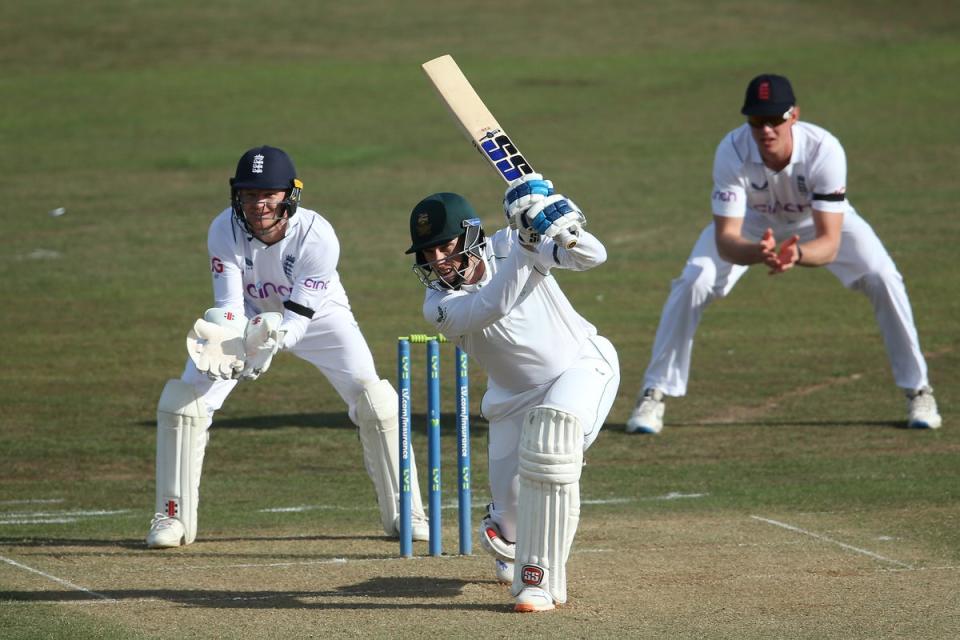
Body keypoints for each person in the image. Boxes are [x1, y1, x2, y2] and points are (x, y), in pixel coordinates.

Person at [146, 145, 430, 548]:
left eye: (268, 194)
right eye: (248, 194)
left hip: (318, 318)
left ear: (289, 196)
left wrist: (269, 344)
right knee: (184, 402)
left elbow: (297, 320)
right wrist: (240, 339)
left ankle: (407, 511)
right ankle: (171, 518)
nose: (258, 204)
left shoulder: (318, 236)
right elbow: (228, 306)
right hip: (247, 314)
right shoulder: (222, 228)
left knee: (375, 400)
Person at [625, 74, 942, 435]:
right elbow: (727, 239)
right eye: (757, 121)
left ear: (794, 116)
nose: (766, 130)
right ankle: (653, 393)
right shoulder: (731, 150)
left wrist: (797, 254)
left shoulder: (824, 150)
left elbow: (831, 242)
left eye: (775, 119)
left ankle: (919, 389)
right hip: (750, 225)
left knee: (883, 277)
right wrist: (757, 252)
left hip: (815, 223)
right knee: (694, 280)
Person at [406, 183, 620, 612]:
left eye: (445, 247)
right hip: (510, 400)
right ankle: (511, 542)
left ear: (470, 235)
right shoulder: (439, 305)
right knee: (510, 526)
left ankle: (538, 582)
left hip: (580, 367)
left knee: (552, 445)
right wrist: (526, 242)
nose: (438, 261)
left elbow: (593, 256)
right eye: (428, 254)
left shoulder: (509, 243)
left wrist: (560, 224)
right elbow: (493, 305)